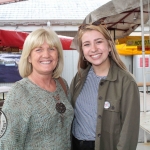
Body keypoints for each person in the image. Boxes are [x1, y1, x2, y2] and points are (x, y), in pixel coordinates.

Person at [0, 28, 74, 150]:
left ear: (58, 55)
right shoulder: (19, 93)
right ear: (29, 57)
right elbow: (7, 144)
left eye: (51, 49)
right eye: (38, 49)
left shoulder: (62, 84)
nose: (46, 55)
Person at [70, 23, 140, 150]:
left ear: (109, 46)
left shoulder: (126, 82)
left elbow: (129, 130)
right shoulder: (79, 78)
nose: (93, 48)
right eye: (87, 44)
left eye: (98, 42)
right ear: (83, 51)